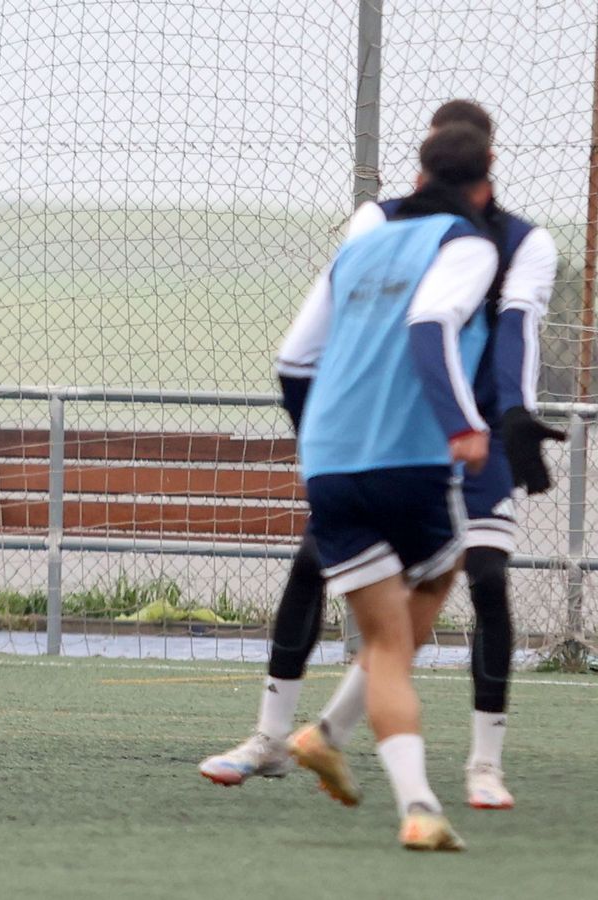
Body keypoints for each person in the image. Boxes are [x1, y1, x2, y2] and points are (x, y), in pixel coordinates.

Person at [200, 101, 561, 811]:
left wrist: (512, 416)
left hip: (472, 437)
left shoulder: (522, 243)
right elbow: (329, 335)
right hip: (389, 441)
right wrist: (329, 434)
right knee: (316, 568)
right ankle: (273, 739)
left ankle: (482, 765)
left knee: (484, 580)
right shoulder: (379, 222)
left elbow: (515, 331)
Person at [265, 123, 501, 850]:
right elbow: (432, 326)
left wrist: (322, 443)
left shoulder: (358, 247)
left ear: (419, 172)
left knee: (385, 634)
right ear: (484, 183)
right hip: (409, 463)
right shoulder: (468, 244)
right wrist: (464, 424)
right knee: (404, 634)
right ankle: (401, 789)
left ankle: (341, 742)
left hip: (332, 468)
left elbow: (294, 360)